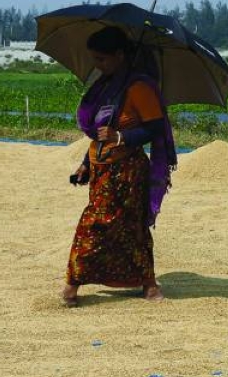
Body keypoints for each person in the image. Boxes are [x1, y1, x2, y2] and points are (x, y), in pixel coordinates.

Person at [61, 26, 177, 308]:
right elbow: (98, 134)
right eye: (95, 59)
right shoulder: (105, 88)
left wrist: (121, 137)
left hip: (127, 172)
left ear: (120, 55)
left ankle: (74, 287)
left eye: (102, 59)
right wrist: (85, 165)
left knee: (123, 227)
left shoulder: (140, 88)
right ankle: (143, 284)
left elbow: (154, 128)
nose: (97, 65)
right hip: (102, 171)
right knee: (102, 225)